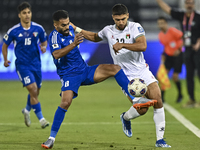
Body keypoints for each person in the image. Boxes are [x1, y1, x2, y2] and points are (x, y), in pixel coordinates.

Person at [41, 10, 157, 149]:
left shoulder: (71, 29)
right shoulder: (54, 36)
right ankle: (51, 138)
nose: (67, 27)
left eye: (67, 24)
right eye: (63, 25)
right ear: (56, 25)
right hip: (69, 75)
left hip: (85, 70)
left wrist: (78, 30)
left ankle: (136, 100)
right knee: (66, 102)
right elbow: (56, 54)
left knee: (115, 69)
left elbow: (93, 36)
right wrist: (73, 44)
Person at [70, 3, 171, 148]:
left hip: (142, 70)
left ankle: (160, 139)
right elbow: (93, 36)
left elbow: (143, 45)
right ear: (113, 18)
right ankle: (125, 118)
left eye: (123, 19)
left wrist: (123, 45)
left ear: (127, 16)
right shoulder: (108, 30)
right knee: (142, 110)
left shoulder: (135, 27)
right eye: (117, 19)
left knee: (157, 97)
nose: (121, 22)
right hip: (125, 75)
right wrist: (76, 29)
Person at [2, 2, 49, 128]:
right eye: (24, 13)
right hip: (23, 65)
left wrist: (44, 48)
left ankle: (27, 110)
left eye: (28, 12)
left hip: (36, 65)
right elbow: (5, 45)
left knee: (36, 92)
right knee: (33, 90)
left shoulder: (38, 28)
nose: (27, 15)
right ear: (19, 15)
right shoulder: (14, 31)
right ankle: (41, 119)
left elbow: (44, 41)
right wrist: (5, 60)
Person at [156, 0, 200, 108]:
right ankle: (191, 99)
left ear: (194, 4)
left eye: (191, 3)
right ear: (185, 4)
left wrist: (199, 43)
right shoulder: (182, 16)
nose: (189, 5)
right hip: (188, 50)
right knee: (189, 75)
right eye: (187, 3)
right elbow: (168, 10)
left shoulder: (198, 17)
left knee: (199, 74)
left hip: (198, 49)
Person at [157, 16, 183, 103]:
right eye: (159, 23)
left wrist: (179, 49)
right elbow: (166, 46)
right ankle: (162, 97)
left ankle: (180, 94)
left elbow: (182, 38)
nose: (161, 25)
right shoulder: (160, 35)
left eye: (162, 23)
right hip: (169, 56)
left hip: (177, 56)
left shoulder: (172, 30)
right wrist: (163, 54)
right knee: (163, 75)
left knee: (175, 77)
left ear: (166, 23)